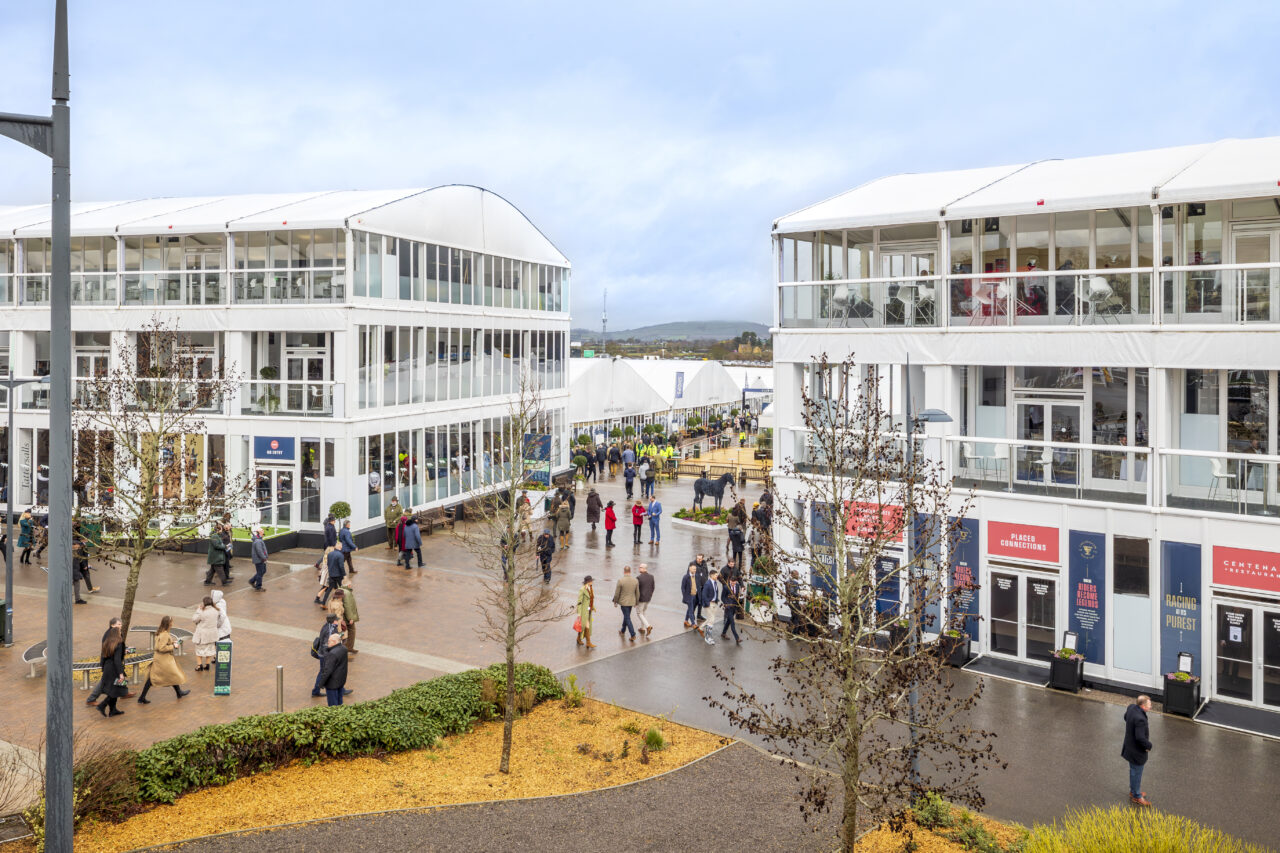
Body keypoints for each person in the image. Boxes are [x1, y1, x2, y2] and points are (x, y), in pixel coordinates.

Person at [137, 615, 190, 703]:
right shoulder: (165, 634)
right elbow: (161, 648)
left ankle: (179, 692)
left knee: (171, 674)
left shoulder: (161, 632)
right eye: (171, 622)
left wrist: (172, 642)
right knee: (166, 675)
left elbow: (160, 644)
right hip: (164, 660)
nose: (172, 624)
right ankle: (141, 698)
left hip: (160, 659)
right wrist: (173, 646)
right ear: (168, 624)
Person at [1121, 695, 1154, 807]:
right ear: (1143, 706)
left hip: (1129, 747)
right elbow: (1140, 738)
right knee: (1137, 772)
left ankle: (1134, 790)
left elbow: (1126, 717)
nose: (1151, 706)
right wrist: (1149, 746)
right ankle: (1137, 796)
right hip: (1136, 751)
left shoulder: (1131, 708)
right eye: (1149, 705)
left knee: (1133, 771)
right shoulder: (1140, 719)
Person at [84, 617, 123, 705]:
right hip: (110, 664)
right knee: (105, 682)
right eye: (119, 624)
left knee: (119, 678)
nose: (120, 626)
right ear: (112, 625)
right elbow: (110, 651)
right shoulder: (109, 635)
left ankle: (124, 693)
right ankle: (91, 699)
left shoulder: (116, 633)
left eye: (121, 624)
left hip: (111, 663)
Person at [96, 625, 129, 717]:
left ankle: (113, 710)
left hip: (107, 668)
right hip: (114, 669)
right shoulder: (119, 643)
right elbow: (117, 660)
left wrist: (102, 667)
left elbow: (103, 656)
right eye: (119, 632)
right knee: (116, 690)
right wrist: (121, 674)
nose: (121, 633)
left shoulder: (107, 643)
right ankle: (102, 705)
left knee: (115, 689)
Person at [311, 613, 341, 696]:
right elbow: (325, 644)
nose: (337, 621)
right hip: (325, 655)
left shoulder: (328, 626)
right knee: (325, 672)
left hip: (323, 654)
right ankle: (316, 691)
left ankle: (316, 691)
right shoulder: (329, 630)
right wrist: (329, 657)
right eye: (336, 620)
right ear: (333, 621)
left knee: (326, 672)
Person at [318, 632, 350, 706]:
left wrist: (321, 683)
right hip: (341, 681)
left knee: (333, 705)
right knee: (340, 702)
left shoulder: (332, 654)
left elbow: (327, 670)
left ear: (335, 642)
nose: (327, 642)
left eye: (329, 641)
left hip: (332, 684)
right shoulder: (344, 649)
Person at [191, 596, 220, 672]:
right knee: (209, 649)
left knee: (199, 650)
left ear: (204, 603)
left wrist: (198, 609)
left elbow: (194, 619)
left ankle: (199, 665)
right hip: (212, 634)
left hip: (202, 635)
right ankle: (207, 664)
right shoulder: (216, 611)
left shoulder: (202, 612)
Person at [612, 565, 640, 642]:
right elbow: (637, 593)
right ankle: (623, 630)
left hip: (623, 603)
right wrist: (636, 602)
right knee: (626, 616)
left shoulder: (621, 580)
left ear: (624, 571)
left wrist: (615, 602)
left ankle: (633, 634)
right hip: (631, 602)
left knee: (627, 618)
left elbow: (617, 593)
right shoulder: (635, 580)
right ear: (630, 571)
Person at [698, 569, 722, 644]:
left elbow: (716, 592)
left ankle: (701, 628)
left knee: (710, 619)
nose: (717, 576)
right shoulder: (707, 584)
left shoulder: (715, 583)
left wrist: (716, 601)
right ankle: (708, 638)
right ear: (711, 575)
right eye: (716, 575)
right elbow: (704, 595)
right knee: (711, 620)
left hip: (714, 603)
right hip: (709, 604)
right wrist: (707, 603)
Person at [339, 578, 360, 654]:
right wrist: (350, 618)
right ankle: (348, 647)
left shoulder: (340, 590)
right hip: (346, 618)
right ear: (348, 585)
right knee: (351, 631)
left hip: (341, 617)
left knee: (342, 632)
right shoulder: (347, 593)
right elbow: (347, 606)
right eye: (350, 584)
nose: (351, 586)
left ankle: (344, 647)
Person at [721, 573, 742, 644]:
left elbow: (737, 595)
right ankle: (737, 638)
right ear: (730, 581)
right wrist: (726, 604)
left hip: (734, 606)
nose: (733, 584)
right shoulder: (726, 587)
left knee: (728, 621)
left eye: (734, 583)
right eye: (732, 583)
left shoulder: (738, 585)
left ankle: (723, 633)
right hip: (728, 607)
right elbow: (722, 597)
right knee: (732, 622)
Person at [634, 563, 655, 637]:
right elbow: (653, 588)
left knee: (639, 613)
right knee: (643, 612)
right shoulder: (651, 577)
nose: (639, 568)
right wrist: (650, 595)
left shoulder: (638, 578)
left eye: (640, 567)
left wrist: (635, 601)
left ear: (644, 568)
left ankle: (648, 626)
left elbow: (636, 590)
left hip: (641, 599)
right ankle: (642, 628)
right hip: (648, 598)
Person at [576, 575, 596, 649]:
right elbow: (579, 602)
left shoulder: (590, 588)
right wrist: (579, 613)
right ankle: (588, 642)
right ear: (588, 582)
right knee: (584, 626)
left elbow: (591, 599)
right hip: (584, 611)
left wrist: (593, 607)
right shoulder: (582, 589)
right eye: (591, 581)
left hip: (589, 610)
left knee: (585, 626)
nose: (592, 582)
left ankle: (581, 639)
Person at [680, 563, 700, 628]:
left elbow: (697, 585)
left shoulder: (696, 576)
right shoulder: (686, 577)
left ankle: (686, 620)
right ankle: (693, 623)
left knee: (689, 609)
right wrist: (685, 596)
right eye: (693, 569)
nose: (695, 570)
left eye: (695, 569)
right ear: (690, 568)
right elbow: (682, 588)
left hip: (695, 595)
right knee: (691, 610)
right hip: (689, 596)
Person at [249, 527, 268, 591]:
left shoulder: (259, 539)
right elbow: (259, 551)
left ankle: (252, 580)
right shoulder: (258, 541)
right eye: (263, 531)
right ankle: (258, 587)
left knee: (263, 571)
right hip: (259, 559)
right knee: (260, 573)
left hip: (261, 559)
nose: (263, 532)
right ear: (260, 532)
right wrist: (264, 558)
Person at [693, 555, 710, 623]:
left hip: (703, 586)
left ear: (702, 559)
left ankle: (699, 615)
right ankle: (691, 614)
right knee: (695, 602)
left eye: (700, 559)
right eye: (698, 558)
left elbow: (706, 573)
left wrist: (706, 582)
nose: (699, 560)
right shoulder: (692, 564)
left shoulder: (704, 564)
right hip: (696, 587)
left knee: (701, 601)